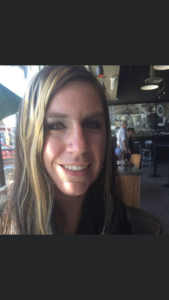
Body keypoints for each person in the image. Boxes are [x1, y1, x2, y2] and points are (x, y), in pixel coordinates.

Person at [0, 65, 131, 235]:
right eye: (56, 125)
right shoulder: (5, 220)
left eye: (92, 124)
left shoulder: (115, 213)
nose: (79, 146)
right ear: (29, 137)